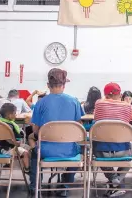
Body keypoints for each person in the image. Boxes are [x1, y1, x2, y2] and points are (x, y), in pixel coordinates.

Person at [29, 68, 82, 196]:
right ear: (64, 85)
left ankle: (35, 186)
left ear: (48, 85)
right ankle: (64, 185)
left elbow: (36, 130)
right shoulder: (74, 101)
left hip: (46, 150)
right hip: (69, 150)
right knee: (78, 151)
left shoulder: (40, 103)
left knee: (35, 153)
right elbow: (78, 128)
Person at [94, 83, 132, 197]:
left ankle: (113, 180)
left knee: (100, 152)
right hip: (121, 150)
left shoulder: (98, 104)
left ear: (105, 94)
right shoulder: (127, 107)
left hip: (100, 152)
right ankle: (117, 180)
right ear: (119, 94)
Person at [0, 103, 30, 173]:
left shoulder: (0, 121)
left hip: (3, 147)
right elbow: (8, 139)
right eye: (15, 113)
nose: (16, 115)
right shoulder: (8, 126)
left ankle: (12, 164)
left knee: (29, 148)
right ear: (10, 115)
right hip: (8, 149)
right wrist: (16, 143)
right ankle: (27, 169)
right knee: (26, 153)